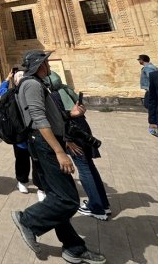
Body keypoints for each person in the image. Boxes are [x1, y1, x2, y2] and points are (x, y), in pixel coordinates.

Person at [11, 50, 105, 264]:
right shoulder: (32, 85)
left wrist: (69, 117)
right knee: (69, 199)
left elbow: (48, 117)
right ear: (40, 65)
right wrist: (60, 151)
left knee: (57, 197)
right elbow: (38, 118)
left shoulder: (36, 84)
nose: (49, 65)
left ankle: (74, 247)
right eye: (46, 62)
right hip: (45, 145)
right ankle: (27, 220)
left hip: (45, 142)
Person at [47, 72, 110, 221]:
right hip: (84, 131)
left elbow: (61, 119)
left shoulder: (53, 96)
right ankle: (103, 203)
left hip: (73, 136)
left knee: (84, 170)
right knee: (90, 167)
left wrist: (68, 140)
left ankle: (97, 208)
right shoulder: (67, 90)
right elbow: (81, 109)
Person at [0, 69, 46, 200]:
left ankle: (25, 183)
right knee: (35, 161)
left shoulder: (10, 93)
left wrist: (7, 79)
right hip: (33, 133)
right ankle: (39, 187)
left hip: (21, 135)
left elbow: (1, 91)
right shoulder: (33, 91)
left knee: (24, 160)